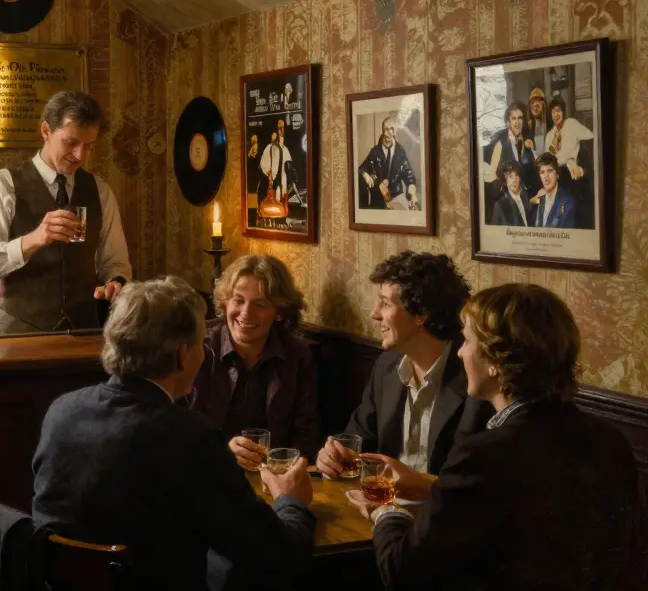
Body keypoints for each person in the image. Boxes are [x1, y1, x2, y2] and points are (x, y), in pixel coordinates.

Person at [348, 284, 641, 590]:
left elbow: (401, 571)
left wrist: (384, 511)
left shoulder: (483, 453)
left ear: (496, 362)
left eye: (467, 341)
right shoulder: (611, 440)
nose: (459, 352)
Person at [33, 276, 316, 591]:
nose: (205, 353)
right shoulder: (188, 436)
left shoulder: (62, 411)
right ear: (183, 354)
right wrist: (291, 501)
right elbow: (275, 553)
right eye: (200, 343)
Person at [316, 252, 494, 498]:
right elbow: (357, 439)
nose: (374, 314)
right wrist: (333, 454)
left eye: (386, 303)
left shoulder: (476, 380)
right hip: (382, 509)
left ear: (421, 313)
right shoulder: (386, 367)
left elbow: (477, 487)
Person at [0, 91, 131, 335]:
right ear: (46, 131)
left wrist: (116, 282)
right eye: (71, 142)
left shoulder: (101, 191)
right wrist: (33, 240)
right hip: (17, 335)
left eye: (89, 146)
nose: (80, 156)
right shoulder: (3, 185)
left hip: (84, 332)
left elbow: (115, 262)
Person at [192, 255, 320, 462]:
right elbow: (176, 429)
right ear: (225, 303)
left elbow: (306, 434)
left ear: (279, 312)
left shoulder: (297, 356)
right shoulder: (198, 346)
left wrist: (281, 467)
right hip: (207, 471)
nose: (246, 313)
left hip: (273, 474)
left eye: (260, 304)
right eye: (238, 300)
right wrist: (222, 450)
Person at [358, 115, 418, 210]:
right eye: (385, 129)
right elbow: (361, 168)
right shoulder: (375, 152)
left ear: (395, 131)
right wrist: (366, 175)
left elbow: (409, 176)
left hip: (397, 195)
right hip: (379, 198)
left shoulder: (400, 151)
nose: (388, 134)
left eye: (391, 129)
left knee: (410, 212)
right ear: (382, 131)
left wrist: (412, 193)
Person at [530, 152, 577, 228]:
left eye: (549, 171)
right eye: (542, 172)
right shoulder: (539, 198)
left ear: (557, 174)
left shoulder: (567, 201)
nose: (546, 176)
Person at [258, 118, 293, 204]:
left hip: (283, 192)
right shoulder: (270, 148)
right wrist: (270, 178)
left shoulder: (285, 150)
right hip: (271, 192)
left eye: (283, 128)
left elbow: (289, 170)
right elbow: (264, 166)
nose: (281, 131)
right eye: (279, 128)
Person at [488, 160, 530, 226]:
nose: (514, 180)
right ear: (505, 180)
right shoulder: (500, 205)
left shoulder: (528, 197)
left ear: (520, 178)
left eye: (516, 176)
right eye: (510, 176)